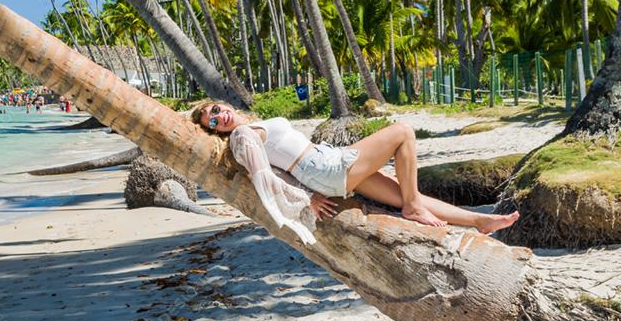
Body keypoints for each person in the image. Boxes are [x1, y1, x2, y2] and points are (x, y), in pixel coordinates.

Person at [190, 100, 519, 242]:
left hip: (325, 164)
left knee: (406, 192)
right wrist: (307, 199)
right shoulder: (242, 137)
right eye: (213, 122)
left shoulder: (250, 126)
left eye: (216, 110)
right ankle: (414, 208)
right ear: (215, 131)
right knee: (403, 131)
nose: (220, 118)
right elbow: (264, 177)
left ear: (225, 105)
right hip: (321, 168)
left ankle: (479, 221)